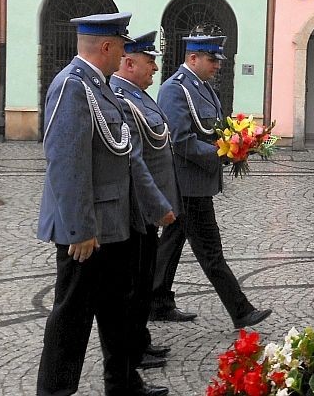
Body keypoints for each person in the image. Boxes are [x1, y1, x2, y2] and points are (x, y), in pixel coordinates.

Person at [36, 13, 175, 396]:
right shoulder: (72, 86)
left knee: (118, 311)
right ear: (108, 46)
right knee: (72, 319)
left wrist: (154, 205)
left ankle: (124, 384)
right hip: (88, 232)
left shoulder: (100, 87)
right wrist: (79, 229)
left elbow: (126, 155)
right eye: (122, 47)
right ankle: (54, 392)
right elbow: (65, 162)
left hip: (113, 225)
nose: (124, 55)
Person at [150, 34, 272, 330]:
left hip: (196, 185)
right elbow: (180, 140)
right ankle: (240, 310)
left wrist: (242, 141)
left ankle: (157, 303)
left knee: (170, 245)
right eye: (211, 60)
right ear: (193, 58)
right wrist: (224, 153)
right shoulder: (175, 89)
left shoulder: (203, 88)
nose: (217, 65)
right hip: (187, 187)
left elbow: (214, 130)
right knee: (210, 252)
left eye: (218, 60)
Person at [110, 31, 181, 373]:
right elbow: (134, 160)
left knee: (143, 280)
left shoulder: (140, 96)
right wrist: (157, 205)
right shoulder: (122, 99)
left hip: (147, 210)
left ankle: (140, 342)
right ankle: (133, 350)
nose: (154, 68)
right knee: (135, 285)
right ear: (129, 63)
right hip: (138, 210)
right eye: (149, 61)